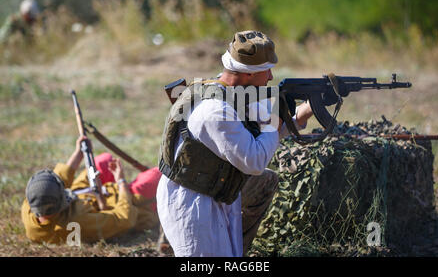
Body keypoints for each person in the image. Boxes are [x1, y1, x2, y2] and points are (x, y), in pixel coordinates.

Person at [157, 30, 314, 256]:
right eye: (266, 71)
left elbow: (270, 128)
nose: (270, 77)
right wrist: (275, 116)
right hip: (191, 203)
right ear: (249, 74)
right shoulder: (215, 111)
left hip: (215, 188)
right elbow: (255, 160)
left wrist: (309, 108)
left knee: (266, 181)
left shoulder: (233, 94)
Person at [21, 135, 161, 244]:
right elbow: (124, 219)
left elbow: (56, 182)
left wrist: (79, 153)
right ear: (61, 200)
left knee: (103, 161)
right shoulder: (78, 223)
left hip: (82, 194)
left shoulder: (32, 207)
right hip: (121, 204)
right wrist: (121, 181)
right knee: (157, 176)